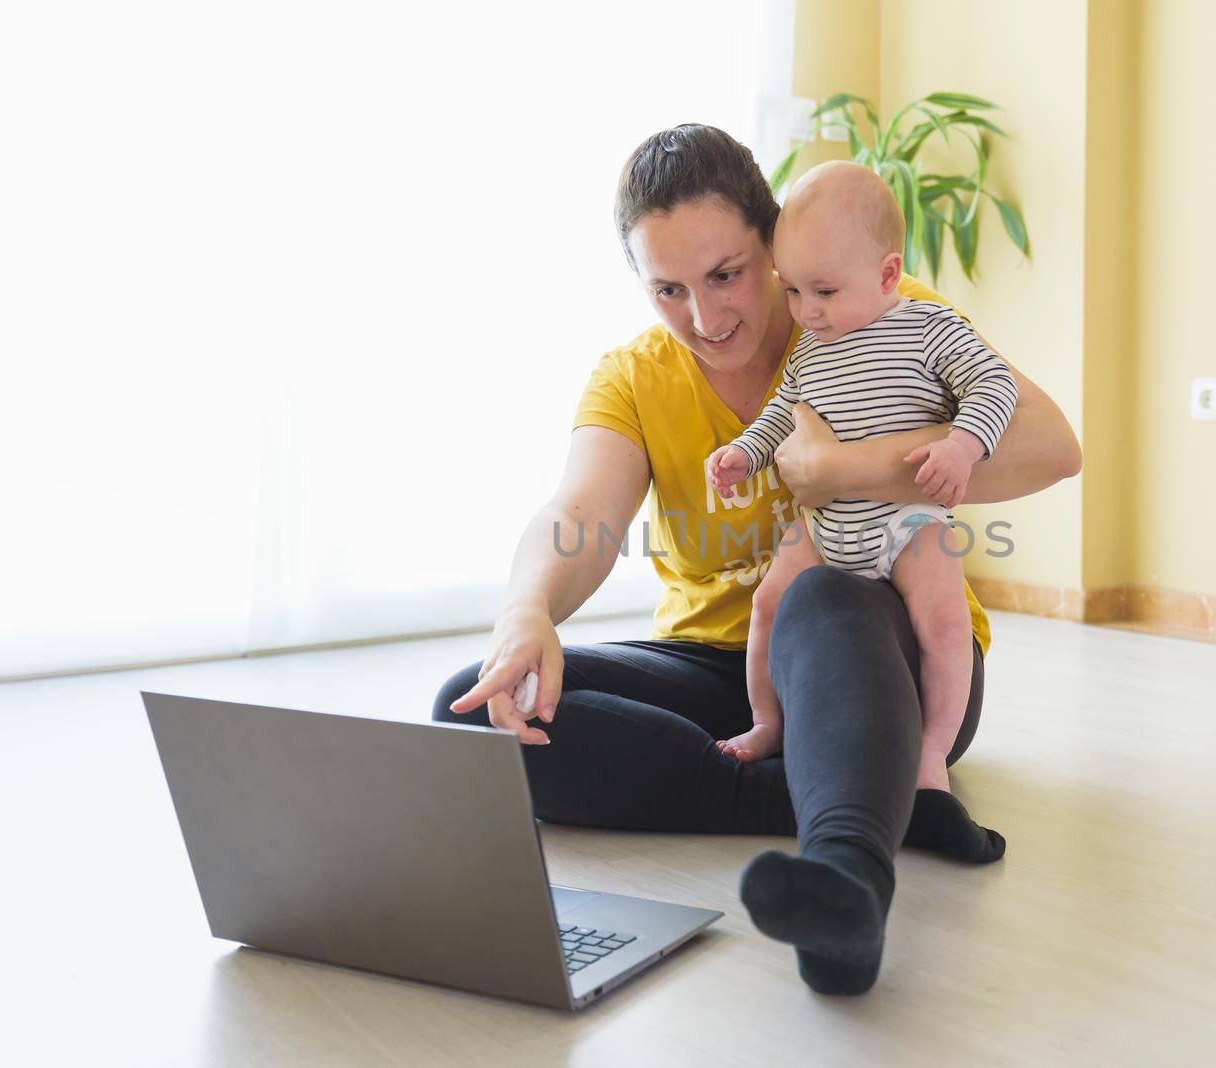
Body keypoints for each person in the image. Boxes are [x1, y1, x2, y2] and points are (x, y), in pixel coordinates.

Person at [433, 124, 1081, 996]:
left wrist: (841, 469)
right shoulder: (633, 376)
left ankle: (849, 877)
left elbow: (1050, 445)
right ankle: (838, 791)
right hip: (732, 675)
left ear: (770, 244)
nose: (706, 318)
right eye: (668, 288)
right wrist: (526, 616)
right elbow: (578, 513)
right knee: (479, 703)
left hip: (888, 662)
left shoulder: (871, 308)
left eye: (727, 275)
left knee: (818, 592)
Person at [705, 161, 1018, 795]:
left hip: (909, 522)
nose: (806, 311)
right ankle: (768, 723)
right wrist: (746, 453)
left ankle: (932, 753)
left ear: (885, 273)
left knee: (945, 623)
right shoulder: (808, 351)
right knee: (767, 604)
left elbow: (994, 383)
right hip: (824, 526)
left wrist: (961, 446)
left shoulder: (929, 329)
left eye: (823, 291)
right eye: (791, 291)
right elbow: (780, 416)